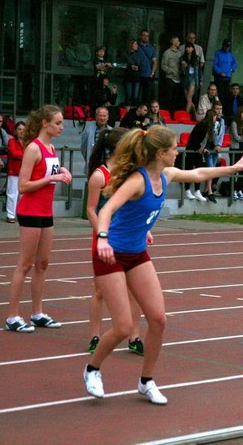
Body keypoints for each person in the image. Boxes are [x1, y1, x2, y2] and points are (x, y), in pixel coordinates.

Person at [83, 126, 243, 402]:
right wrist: (102, 238)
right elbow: (107, 209)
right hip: (111, 253)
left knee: (158, 320)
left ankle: (146, 381)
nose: (177, 152)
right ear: (161, 153)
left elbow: (199, 174)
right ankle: (92, 369)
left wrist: (232, 168)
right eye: (174, 148)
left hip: (137, 253)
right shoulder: (137, 181)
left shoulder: (166, 174)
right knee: (123, 326)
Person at [5, 105, 72, 333]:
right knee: (25, 264)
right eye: (57, 123)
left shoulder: (51, 147)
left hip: (45, 211)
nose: (61, 127)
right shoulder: (33, 148)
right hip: (30, 210)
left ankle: (37, 313)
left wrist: (62, 170)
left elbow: (47, 171)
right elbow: (23, 186)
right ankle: (12, 316)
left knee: (43, 264)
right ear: (45, 123)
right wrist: (52, 178)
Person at [85, 127, 144, 355]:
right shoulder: (100, 175)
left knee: (133, 289)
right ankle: (95, 335)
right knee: (100, 290)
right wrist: (102, 234)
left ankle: (134, 336)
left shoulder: (131, 174)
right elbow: (91, 209)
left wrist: (144, 229)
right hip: (105, 237)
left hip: (127, 237)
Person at [201, 101, 225, 202]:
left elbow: (221, 134)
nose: (219, 111)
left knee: (213, 171)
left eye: (221, 109)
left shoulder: (222, 121)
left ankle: (205, 191)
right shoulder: (208, 121)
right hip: (208, 147)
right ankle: (210, 192)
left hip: (215, 148)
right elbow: (205, 135)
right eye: (217, 109)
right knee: (210, 170)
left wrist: (218, 145)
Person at [5, 121, 26, 223]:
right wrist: (25, 155)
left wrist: (23, 155)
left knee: (23, 195)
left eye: (23, 129)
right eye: (19, 129)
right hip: (14, 171)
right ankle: (10, 215)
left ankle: (22, 214)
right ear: (15, 131)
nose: (21, 131)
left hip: (25, 172)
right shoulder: (12, 141)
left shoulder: (28, 142)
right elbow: (13, 153)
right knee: (12, 194)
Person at [229, 106, 243, 200]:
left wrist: (242, 138)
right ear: (240, 114)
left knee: (242, 170)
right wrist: (242, 138)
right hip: (234, 149)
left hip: (242, 149)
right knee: (234, 170)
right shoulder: (234, 123)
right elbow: (236, 137)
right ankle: (233, 190)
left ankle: (239, 189)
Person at [160, 36, 182, 111]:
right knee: (169, 97)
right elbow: (163, 65)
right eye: (177, 41)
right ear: (173, 42)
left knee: (176, 98)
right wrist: (170, 71)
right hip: (170, 78)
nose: (179, 42)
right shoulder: (167, 53)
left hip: (179, 78)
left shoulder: (180, 53)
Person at [179, 41, 201, 116]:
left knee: (189, 97)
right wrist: (183, 66)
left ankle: (186, 115)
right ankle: (194, 111)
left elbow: (199, 70)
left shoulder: (197, 58)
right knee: (188, 98)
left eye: (189, 47)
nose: (188, 49)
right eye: (187, 47)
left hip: (194, 78)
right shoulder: (182, 58)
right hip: (185, 78)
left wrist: (200, 80)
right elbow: (180, 69)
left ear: (193, 48)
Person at [212, 39, 236, 104]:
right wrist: (220, 72)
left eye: (228, 46)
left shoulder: (230, 55)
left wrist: (232, 69)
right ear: (223, 45)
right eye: (226, 46)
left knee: (227, 95)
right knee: (219, 94)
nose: (227, 48)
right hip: (219, 78)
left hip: (227, 78)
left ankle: (224, 108)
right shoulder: (218, 53)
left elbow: (234, 63)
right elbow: (214, 64)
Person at [137, 30, 158, 103]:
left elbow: (155, 61)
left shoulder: (151, 48)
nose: (146, 37)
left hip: (148, 75)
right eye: (144, 35)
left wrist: (152, 73)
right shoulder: (136, 47)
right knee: (136, 95)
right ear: (140, 36)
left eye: (147, 36)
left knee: (147, 96)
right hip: (137, 74)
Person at [121, 39, 142, 106]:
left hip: (137, 77)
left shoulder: (138, 54)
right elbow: (121, 65)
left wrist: (138, 67)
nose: (137, 45)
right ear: (131, 45)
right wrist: (130, 67)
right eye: (135, 44)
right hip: (128, 77)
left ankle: (135, 110)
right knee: (129, 96)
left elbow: (142, 65)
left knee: (135, 97)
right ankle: (128, 110)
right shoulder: (125, 54)